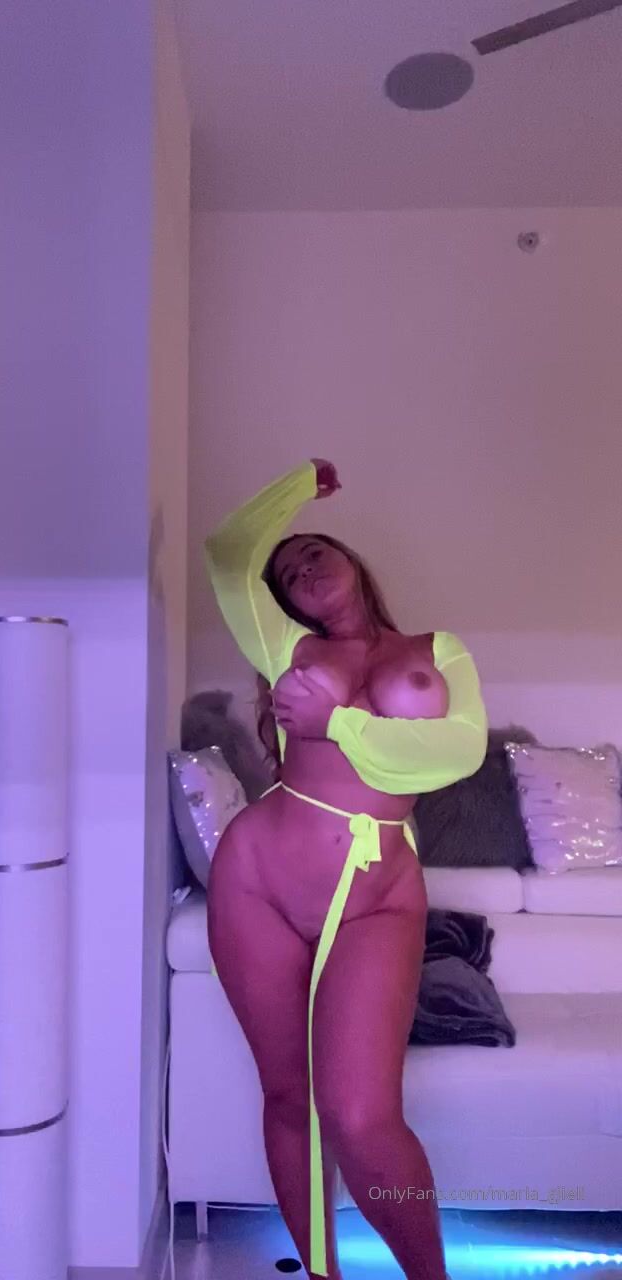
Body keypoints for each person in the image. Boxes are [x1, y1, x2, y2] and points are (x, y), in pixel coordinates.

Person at [204, 459, 487, 1280]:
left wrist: (337, 723)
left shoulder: (437, 650)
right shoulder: (288, 646)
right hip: (258, 878)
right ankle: (320, 1273)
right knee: (288, 1097)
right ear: (285, 603)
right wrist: (295, 486)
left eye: (315, 551)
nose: (302, 567)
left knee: (361, 1116)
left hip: (376, 897)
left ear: (354, 563)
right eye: (288, 572)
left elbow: (459, 750)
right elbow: (228, 554)